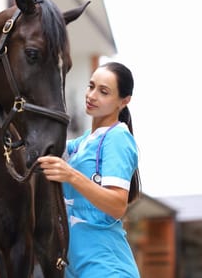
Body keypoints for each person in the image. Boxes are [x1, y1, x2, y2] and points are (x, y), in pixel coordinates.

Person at [38, 61, 141, 277]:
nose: (92, 95)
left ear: (124, 101)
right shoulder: (83, 143)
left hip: (106, 269)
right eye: (91, 86)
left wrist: (71, 175)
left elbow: (117, 204)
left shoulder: (118, 138)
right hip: (74, 268)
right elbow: (42, 149)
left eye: (103, 92)